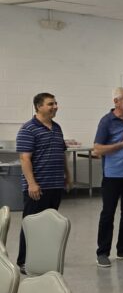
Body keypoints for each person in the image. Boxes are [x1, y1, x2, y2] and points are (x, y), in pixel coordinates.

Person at [15, 92, 71, 271]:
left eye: (55, 103)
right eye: (50, 104)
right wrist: (32, 184)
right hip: (37, 187)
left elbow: (61, 153)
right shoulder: (28, 129)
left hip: (55, 185)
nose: (55, 107)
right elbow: (24, 158)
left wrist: (67, 175)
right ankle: (24, 261)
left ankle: (44, 258)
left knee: (49, 225)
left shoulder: (57, 128)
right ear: (39, 107)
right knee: (31, 225)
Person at [93, 87, 123, 268]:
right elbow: (97, 149)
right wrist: (122, 144)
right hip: (113, 175)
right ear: (116, 102)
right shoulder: (106, 121)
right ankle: (102, 253)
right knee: (108, 214)